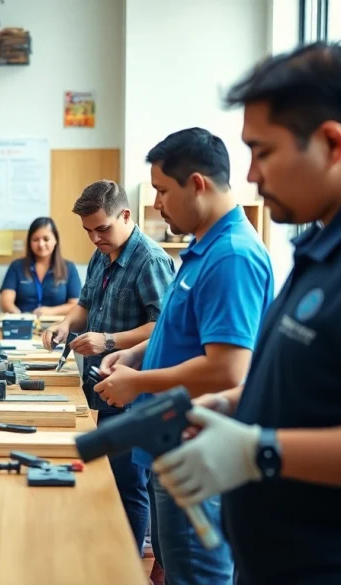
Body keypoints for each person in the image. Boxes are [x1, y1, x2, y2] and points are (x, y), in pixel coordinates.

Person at [153, 40, 341, 585]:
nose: (251, 176)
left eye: (263, 151)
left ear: (331, 142)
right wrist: (238, 403)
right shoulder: (331, 242)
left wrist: (262, 451)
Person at [95, 128, 274, 585]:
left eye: (162, 190)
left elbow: (228, 367)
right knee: (177, 569)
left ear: (196, 184)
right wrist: (134, 354)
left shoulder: (231, 255)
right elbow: (180, 331)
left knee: (198, 575)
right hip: (170, 440)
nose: (157, 204)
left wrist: (137, 383)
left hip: (196, 445)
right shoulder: (201, 249)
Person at [41, 180, 176, 554]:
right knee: (111, 478)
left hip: (134, 388)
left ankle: (130, 567)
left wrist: (109, 340)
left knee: (128, 482)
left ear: (126, 216)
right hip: (101, 387)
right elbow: (84, 305)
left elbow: (163, 327)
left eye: (102, 228)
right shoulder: (103, 253)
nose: (95, 238)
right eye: (88, 231)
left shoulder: (150, 260)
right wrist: (66, 323)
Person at [0, 217, 81, 315]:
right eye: (35, 239)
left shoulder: (69, 268)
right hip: (24, 324)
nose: (41, 244)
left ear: (55, 240)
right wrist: (20, 316)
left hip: (57, 325)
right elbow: (6, 301)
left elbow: (75, 304)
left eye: (46, 239)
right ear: (30, 242)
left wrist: (50, 311)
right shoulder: (16, 266)